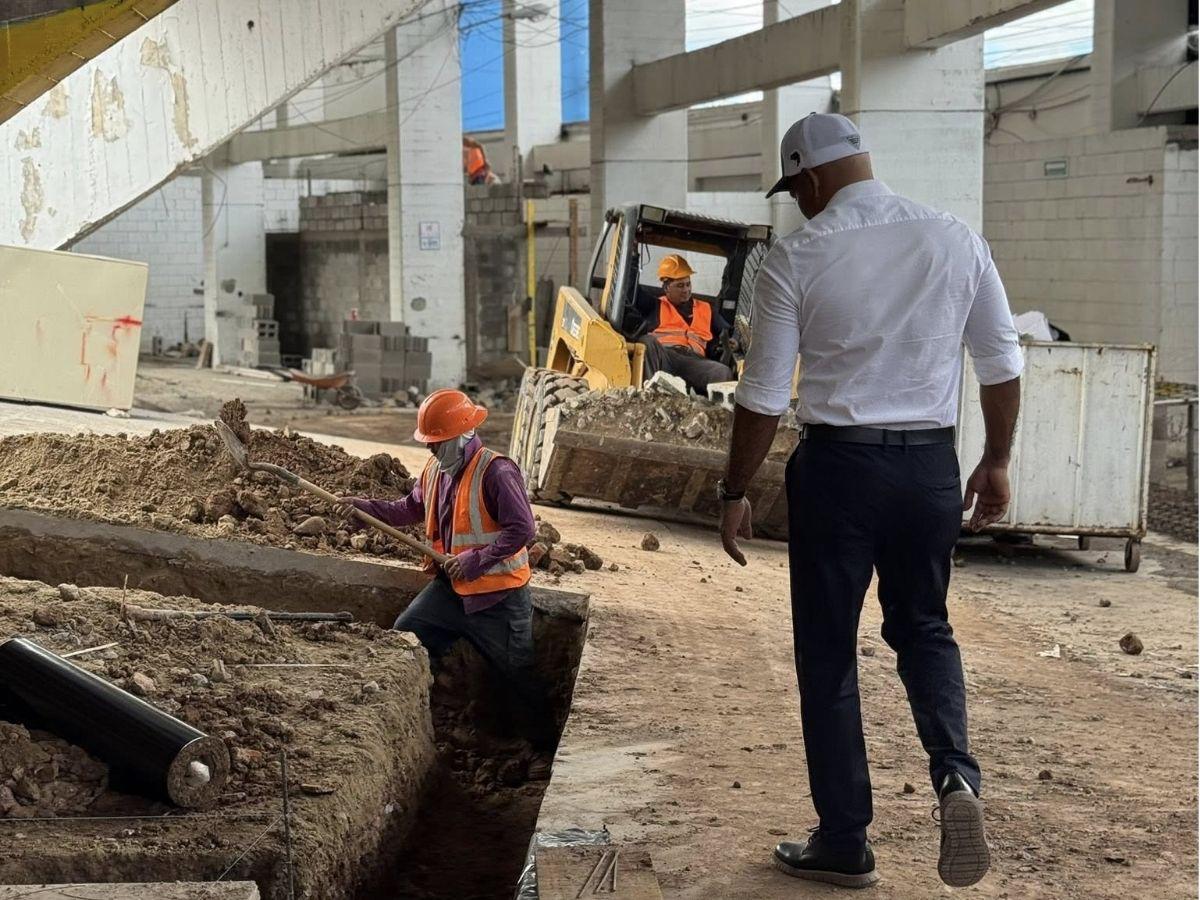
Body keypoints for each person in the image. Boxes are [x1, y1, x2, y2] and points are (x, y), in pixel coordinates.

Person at [716, 113, 1023, 889]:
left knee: (828, 653)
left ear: (812, 179)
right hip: (928, 468)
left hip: (838, 472)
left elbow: (760, 394)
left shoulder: (798, 255)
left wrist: (733, 489)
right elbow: (1000, 363)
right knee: (924, 626)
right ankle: (957, 776)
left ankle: (845, 838)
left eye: (796, 190)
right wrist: (996, 460)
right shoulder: (955, 237)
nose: (798, 203)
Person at [341, 389, 555, 765]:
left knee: (517, 674)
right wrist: (364, 508)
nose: (432, 450)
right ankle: (414, 724)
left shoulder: (497, 471)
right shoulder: (435, 470)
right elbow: (410, 508)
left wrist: (477, 561)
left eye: (438, 443)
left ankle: (539, 750)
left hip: (498, 598)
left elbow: (522, 530)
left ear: (463, 435)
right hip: (450, 592)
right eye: (430, 443)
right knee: (407, 637)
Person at [637, 254, 735, 395]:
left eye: (688, 284)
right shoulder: (656, 305)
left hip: (694, 363)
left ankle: (716, 413)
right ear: (666, 288)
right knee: (647, 341)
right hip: (666, 358)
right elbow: (630, 291)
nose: (686, 290)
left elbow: (728, 331)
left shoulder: (706, 308)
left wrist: (734, 341)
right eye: (680, 286)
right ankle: (651, 396)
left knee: (722, 372)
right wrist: (633, 256)